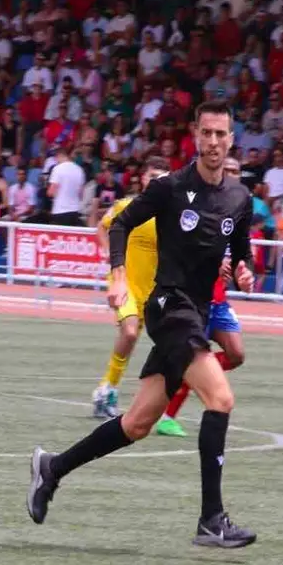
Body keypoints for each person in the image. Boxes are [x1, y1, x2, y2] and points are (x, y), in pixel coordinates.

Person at [27, 100, 258, 549]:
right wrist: (117, 276)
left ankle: (51, 469)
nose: (213, 142)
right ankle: (212, 520)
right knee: (221, 398)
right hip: (169, 307)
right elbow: (121, 224)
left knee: (136, 424)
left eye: (221, 134)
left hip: (198, 313)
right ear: (195, 134)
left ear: (231, 139)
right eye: (206, 133)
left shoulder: (240, 198)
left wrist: (244, 270)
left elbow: (241, 249)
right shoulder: (171, 188)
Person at [155, 156, 248, 437]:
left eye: (235, 170)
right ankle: (168, 416)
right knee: (197, 356)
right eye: (227, 169)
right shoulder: (200, 202)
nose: (230, 174)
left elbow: (243, 253)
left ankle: (190, 374)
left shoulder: (240, 206)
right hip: (197, 297)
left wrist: (245, 271)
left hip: (220, 298)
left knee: (236, 354)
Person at [91, 156, 171, 418]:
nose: (156, 180)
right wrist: (111, 259)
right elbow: (102, 228)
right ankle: (107, 389)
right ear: (144, 178)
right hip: (124, 284)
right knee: (129, 332)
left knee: (166, 343)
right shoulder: (127, 206)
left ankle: (114, 390)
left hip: (154, 290)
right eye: (152, 176)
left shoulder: (171, 216)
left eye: (162, 177)